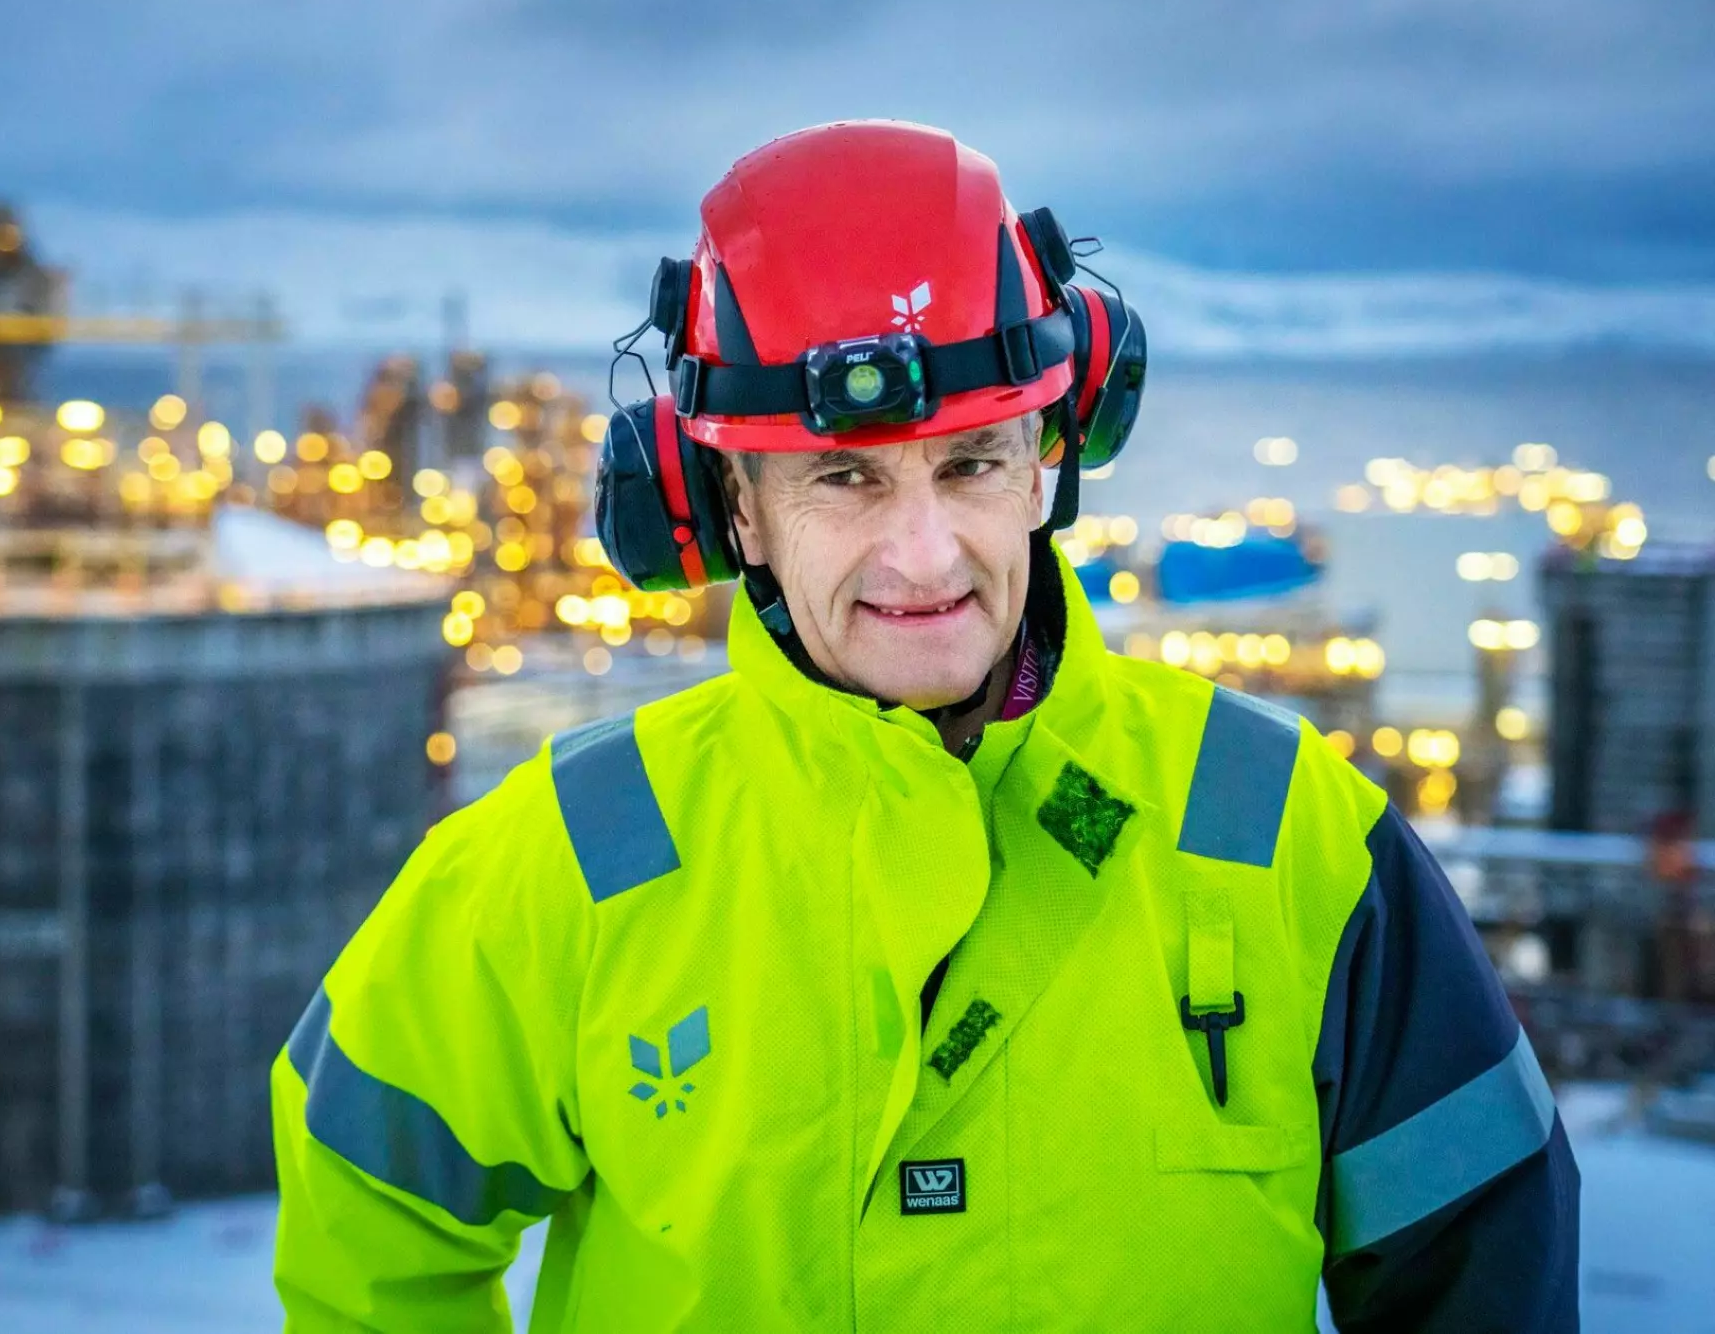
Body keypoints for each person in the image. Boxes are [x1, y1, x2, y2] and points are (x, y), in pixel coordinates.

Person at [270, 121, 1579, 1331]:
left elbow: (1486, 1263)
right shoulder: (569, 865)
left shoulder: (1293, 835)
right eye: (844, 476)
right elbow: (364, 1227)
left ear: (1052, 457)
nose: (923, 549)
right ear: (726, 507)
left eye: (970, 462)